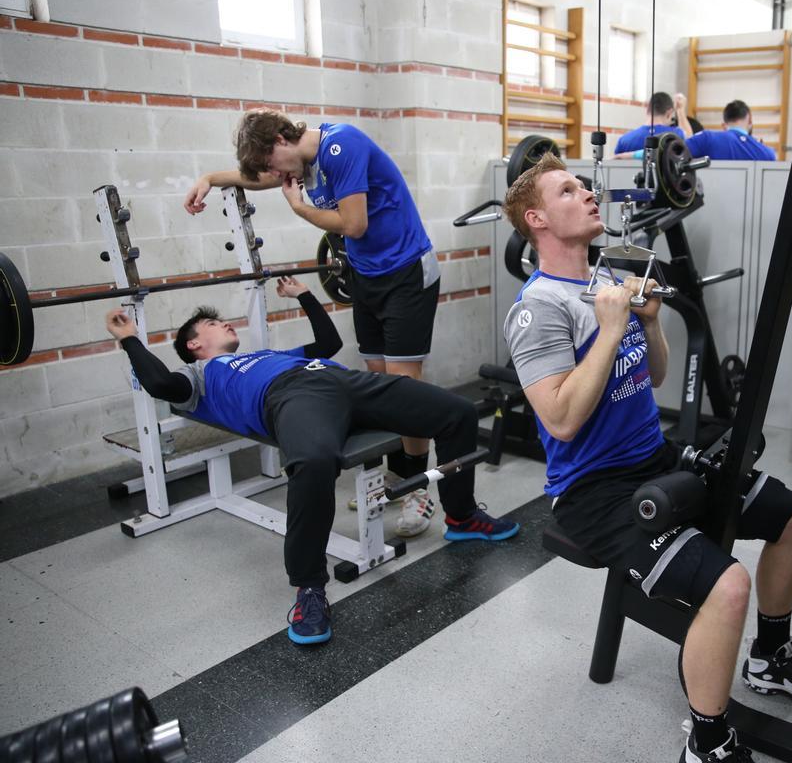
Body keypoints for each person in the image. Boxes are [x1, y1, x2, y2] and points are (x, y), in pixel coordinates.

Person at [501, 154, 792, 763]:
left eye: (584, 185)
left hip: (653, 458)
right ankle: (708, 743)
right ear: (536, 219)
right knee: (729, 585)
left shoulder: (603, 281)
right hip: (595, 492)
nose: (587, 193)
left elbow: (652, 375)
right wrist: (609, 331)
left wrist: (651, 325)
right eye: (568, 189)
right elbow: (558, 417)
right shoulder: (538, 309)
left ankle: (770, 658)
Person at [103, 275, 518, 646]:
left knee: (457, 413)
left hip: (342, 379)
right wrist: (129, 339)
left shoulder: (268, 353)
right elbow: (158, 382)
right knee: (314, 463)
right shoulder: (198, 378)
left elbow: (329, 344)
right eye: (212, 324)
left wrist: (304, 296)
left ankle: (462, 518)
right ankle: (309, 590)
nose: (225, 323)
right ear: (194, 345)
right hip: (292, 398)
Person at [182, 109, 439, 521]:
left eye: (271, 162)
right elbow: (264, 178)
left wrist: (299, 209)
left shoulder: (342, 145)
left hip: (405, 272)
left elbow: (353, 225)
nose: (273, 174)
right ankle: (396, 476)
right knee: (380, 385)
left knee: (406, 390)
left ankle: (419, 488)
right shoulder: (301, 159)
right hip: (367, 276)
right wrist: (211, 179)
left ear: (282, 141)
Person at [685, 100, 777, 161]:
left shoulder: (706, 138)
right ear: (750, 121)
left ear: (724, 125)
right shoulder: (766, 152)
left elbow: (676, 152)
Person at [613, 92, 691, 157]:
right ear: (669, 113)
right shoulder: (675, 135)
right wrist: (680, 110)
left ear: (647, 110)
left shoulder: (624, 140)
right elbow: (691, 140)